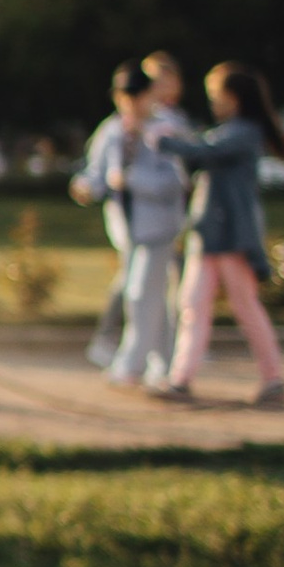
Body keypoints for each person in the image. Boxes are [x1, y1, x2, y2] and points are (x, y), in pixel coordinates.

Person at [155, 62, 284, 404]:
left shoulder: (243, 133)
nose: (213, 103)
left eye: (217, 96)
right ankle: (180, 378)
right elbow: (203, 147)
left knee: (245, 306)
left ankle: (273, 377)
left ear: (234, 98)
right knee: (192, 306)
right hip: (207, 234)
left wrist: (165, 140)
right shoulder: (228, 130)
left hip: (231, 236)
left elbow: (205, 151)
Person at [101, 82, 187, 386]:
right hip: (128, 229)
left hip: (158, 227)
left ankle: (132, 362)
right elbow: (99, 170)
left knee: (139, 293)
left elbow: (174, 181)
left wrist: (131, 179)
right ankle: (161, 362)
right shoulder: (114, 131)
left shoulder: (165, 130)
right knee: (152, 297)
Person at [71, 61, 151, 367]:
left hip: (156, 216)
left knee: (149, 281)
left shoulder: (158, 126)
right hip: (125, 215)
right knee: (132, 277)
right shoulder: (111, 131)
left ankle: (144, 344)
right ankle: (109, 338)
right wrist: (85, 187)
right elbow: (95, 172)